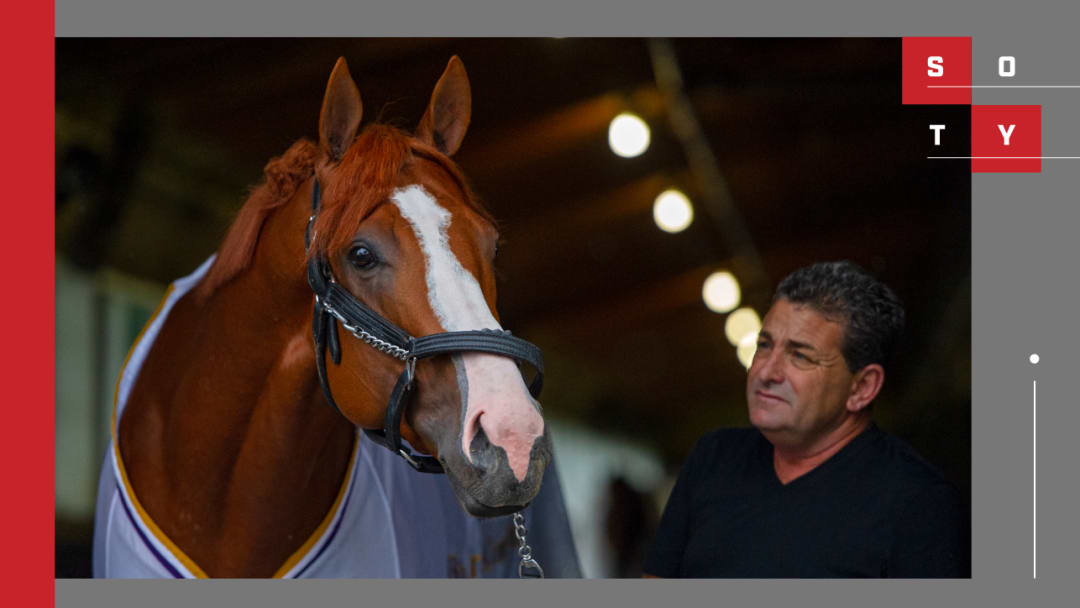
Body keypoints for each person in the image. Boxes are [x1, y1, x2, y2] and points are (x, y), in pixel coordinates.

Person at [643, 261, 969, 578]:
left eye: (800, 356)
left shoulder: (918, 504)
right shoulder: (713, 458)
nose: (766, 371)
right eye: (764, 345)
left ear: (861, 387)